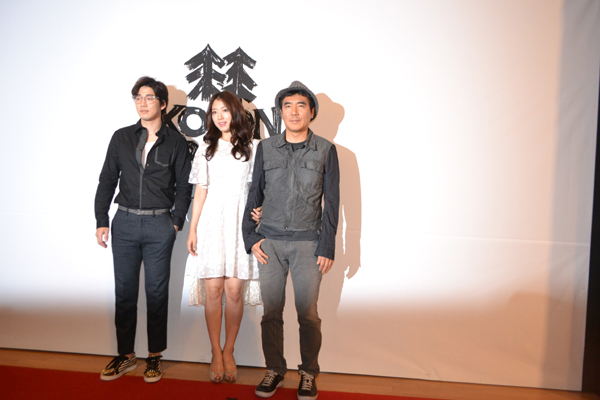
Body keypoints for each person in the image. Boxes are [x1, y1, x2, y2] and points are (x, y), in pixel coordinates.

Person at [242, 81, 340, 400]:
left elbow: (332, 202)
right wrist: (251, 237)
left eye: (300, 106)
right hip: (269, 243)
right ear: (280, 112)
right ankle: (274, 369)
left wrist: (327, 246)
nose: (294, 112)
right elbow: (255, 192)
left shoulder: (325, 150)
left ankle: (308, 373)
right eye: (287, 106)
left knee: (307, 314)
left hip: (308, 245)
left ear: (311, 112)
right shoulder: (266, 148)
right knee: (271, 312)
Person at [94, 76, 192, 383]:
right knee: (124, 292)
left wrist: (175, 221)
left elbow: (184, 186)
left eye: (149, 98)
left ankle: (154, 355)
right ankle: (126, 355)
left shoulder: (176, 142)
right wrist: (101, 219)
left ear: (162, 104)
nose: (143, 103)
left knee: (156, 292)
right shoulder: (121, 137)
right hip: (124, 222)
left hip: (159, 224)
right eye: (138, 97)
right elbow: (107, 179)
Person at [185, 91, 261, 383]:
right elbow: (200, 192)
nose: (219, 116)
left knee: (234, 291)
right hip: (211, 226)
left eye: (225, 110)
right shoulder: (206, 148)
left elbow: (258, 189)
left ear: (236, 113)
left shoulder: (253, 148)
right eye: (214, 111)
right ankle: (215, 351)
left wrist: (261, 213)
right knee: (214, 290)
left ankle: (229, 350)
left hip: (240, 225)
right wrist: (193, 229)